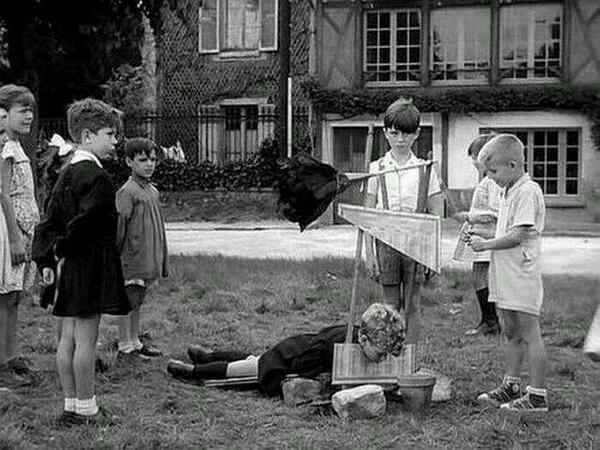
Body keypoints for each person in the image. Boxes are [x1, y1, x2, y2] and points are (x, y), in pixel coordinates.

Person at [32, 98, 131, 426]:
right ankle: (87, 409)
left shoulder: (66, 171)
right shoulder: (96, 176)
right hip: (88, 264)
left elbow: (49, 220)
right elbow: (85, 224)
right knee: (87, 339)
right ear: (87, 136)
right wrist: (65, 246)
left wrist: (49, 257)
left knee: (67, 338)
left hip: (66, 267)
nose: (115, 141)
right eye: (109, 134)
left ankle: (71, 405)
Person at [167, 303, 406, 397]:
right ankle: (193, 370)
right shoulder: (337, 347)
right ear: (363, 339)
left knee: (252, 359)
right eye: (380, 354)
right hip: (290, 357)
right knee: (244, 369)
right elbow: (305, 366)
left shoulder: (362, 340)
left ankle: (207, 355)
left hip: (298, 348)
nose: (382, 359)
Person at [468, 134, 548, 412]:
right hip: (504, 273)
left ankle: (537, 396)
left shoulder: (527, 191)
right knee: (510, 331)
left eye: (493, 171)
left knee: (530, 333)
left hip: (522, 274)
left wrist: (486, 245)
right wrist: (482, 235)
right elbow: (505, 230)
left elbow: (517, 236)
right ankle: (511, 385)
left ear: (513, 165)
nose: (490, 178)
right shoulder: (508, 190)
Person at [364, 98, 442, 320]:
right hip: (386, 242)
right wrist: (369, 254)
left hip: (415, 243)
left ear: (416, 134)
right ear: (385, 133)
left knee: (413, 304)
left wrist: (433, 255)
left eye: (406, 134)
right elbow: (368, 215)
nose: (400, 139)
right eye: (395, 133)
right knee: (390, 305)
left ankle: (410, 343)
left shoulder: (425, 169)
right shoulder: (376, 169)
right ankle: (392, 342)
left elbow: (435, 216)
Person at [0, 85, 40, 378]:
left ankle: (12, 354)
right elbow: (2, 193)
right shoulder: (4, 148)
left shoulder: (16, 145)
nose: (29, 116)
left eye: (31, 111)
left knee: (15, 295)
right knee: (4, 296)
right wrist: (14, 238)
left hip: (24, 230)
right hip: (8, 229)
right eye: (22, 110)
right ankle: (2, 360)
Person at [115, 137, 168, 359]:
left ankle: (136, 340)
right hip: (132, 257)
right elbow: (120, 227)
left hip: (148, 256)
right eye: (143, 160)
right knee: (128, 299)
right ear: (129, 162)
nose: (149, 165)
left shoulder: (152, 191)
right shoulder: (127, 192)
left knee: (138, 300)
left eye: (153, 160)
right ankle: (124, 343)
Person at [453, 133, 501, 336]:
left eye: (475, 157)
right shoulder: (486, 180)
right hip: (480, 233)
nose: (473, 162)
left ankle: (491, 321)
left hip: (486, 234)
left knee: (481, 277)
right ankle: (489, 319)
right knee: (478, 277)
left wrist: (469, 216)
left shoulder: (493, 182)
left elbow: (494, 212)